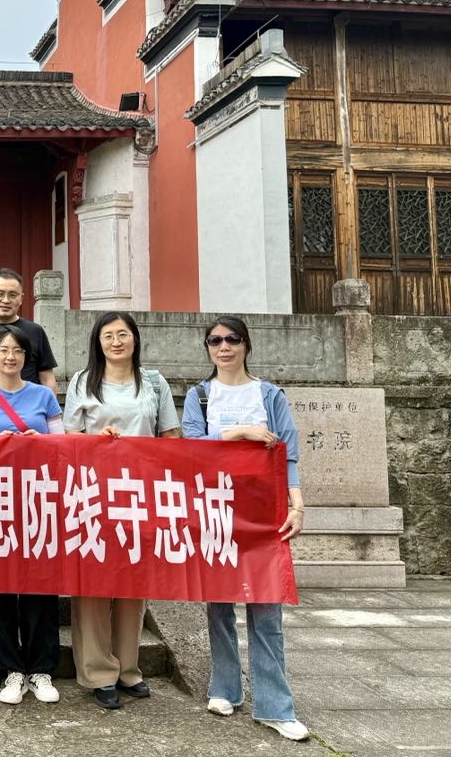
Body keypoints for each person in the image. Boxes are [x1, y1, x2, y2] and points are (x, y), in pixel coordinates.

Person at [180, 315, 309, 742]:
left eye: (232, 339)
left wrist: (297, 502)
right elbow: (191, 447)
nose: (224, 347)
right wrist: (239, 433)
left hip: (263, 510)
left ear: (246, 345)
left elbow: (287, 451)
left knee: (266, 604)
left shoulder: (269, 394)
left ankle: (275, 705)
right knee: (218, 604)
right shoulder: (200, 396)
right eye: (215, 340)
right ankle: (224, 688)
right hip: (215, 507)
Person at [62, 311, 179, 710]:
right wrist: (97, 439)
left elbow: (170, 436)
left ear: (135, 339)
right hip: (93, 493)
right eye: (108, 335)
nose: (116, 342)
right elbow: (71, 437)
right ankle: (98, 672)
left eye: (123, 334)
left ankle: (128, 668)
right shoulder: (83, 381)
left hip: (140, 493)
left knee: (133, 583)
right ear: (97, 342)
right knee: (94, 583)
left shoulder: (154, 382)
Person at [0, 326, 64, 706]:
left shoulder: (44, 396)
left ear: (27, 357)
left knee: (40, 584)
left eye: (18, 351)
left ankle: (41, 668)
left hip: (38, 499)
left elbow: (62, 446)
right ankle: (9, 668)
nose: (10, 357)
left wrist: (38, 442)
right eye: (4, 350)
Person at [0, 267, 58, 393]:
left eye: (12, 295)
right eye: (0, 294)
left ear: (21, 299)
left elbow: (47, 377)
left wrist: (51, 404)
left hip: (30, 403)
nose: (6, 300)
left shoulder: (35, 331)